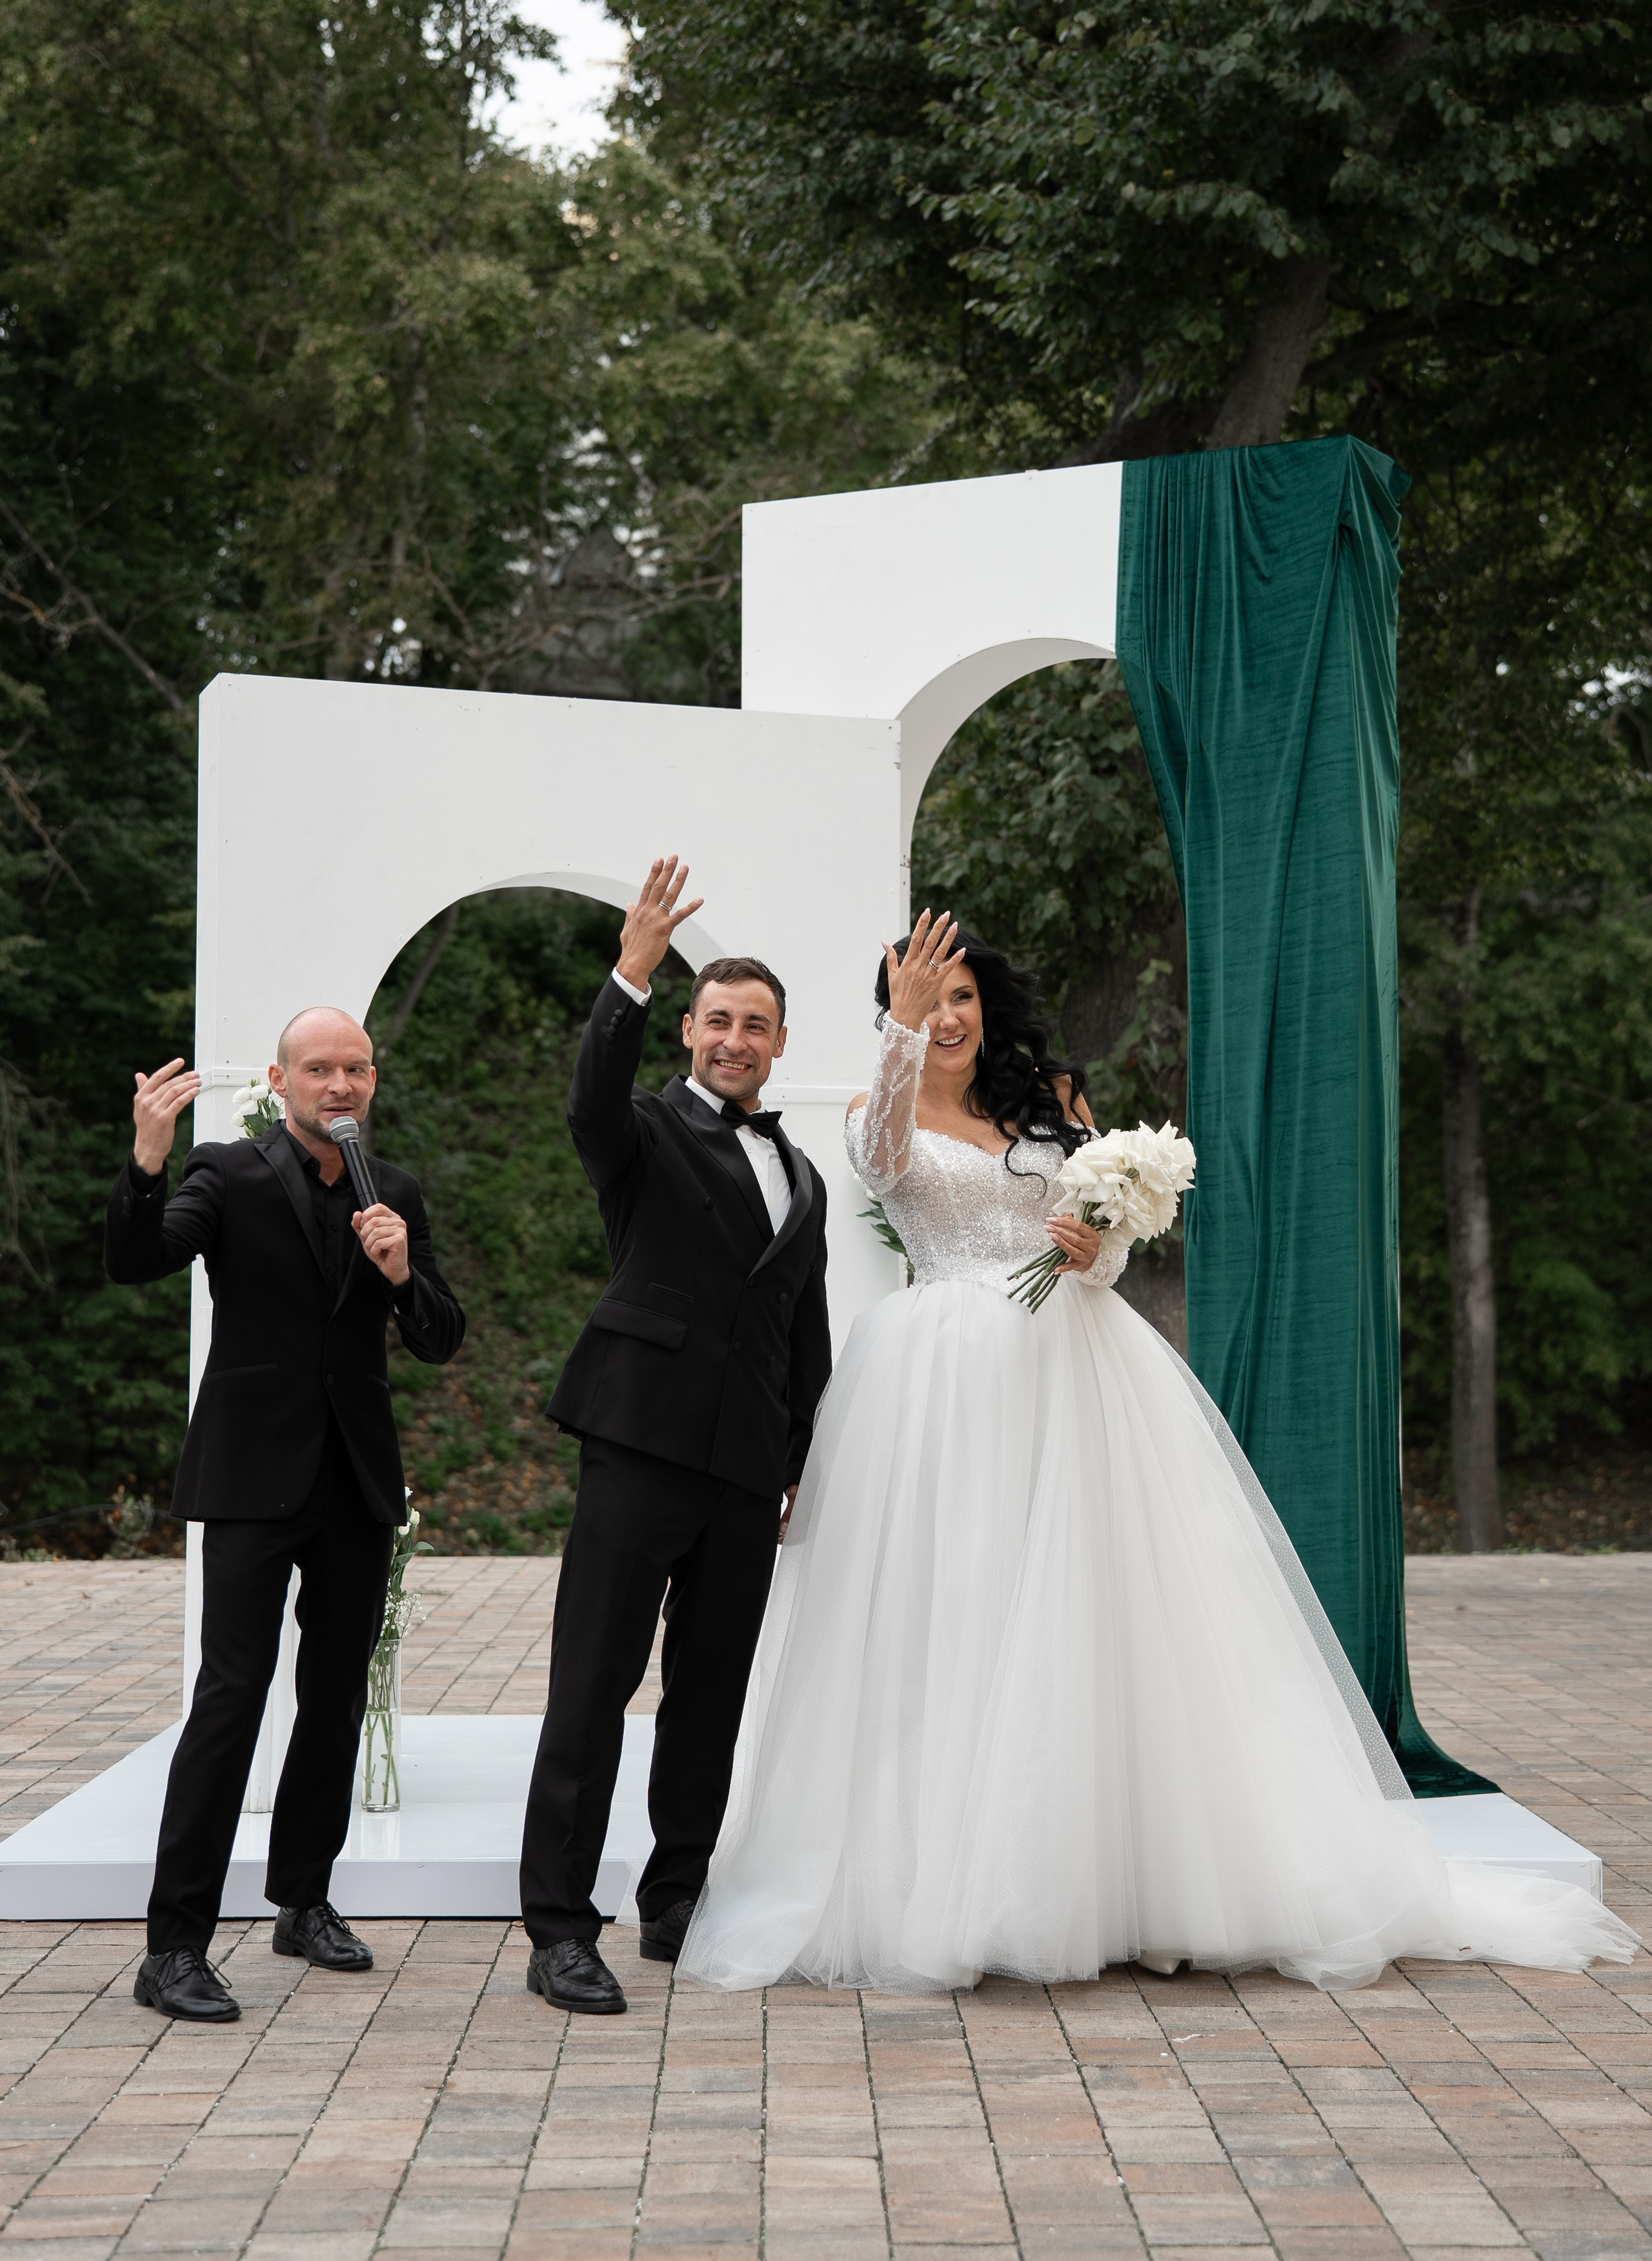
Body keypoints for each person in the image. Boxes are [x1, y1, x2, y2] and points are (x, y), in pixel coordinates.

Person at [679, 912, 1637, 1993]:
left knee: (1098, 1619)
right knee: (953, 1617)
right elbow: (887, 1161)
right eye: (922, 996)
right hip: (940, 1384)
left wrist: (1094, 1248)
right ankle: (957, 1881)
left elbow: (1105, 1257)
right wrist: (898, 1035)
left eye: (960, 995)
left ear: (987, 1004)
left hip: (1076, 1373)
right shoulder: (877, 1104)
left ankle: (1141, 1883)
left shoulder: (1057, 1099)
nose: (945, 1016)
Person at [104, 1008, 465, 2022]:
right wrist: (146, 1158)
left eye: (355, 1067)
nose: (339, 1083)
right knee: (231, 1697)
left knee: (336, 1694)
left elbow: (441, 1335)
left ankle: (303, 1898)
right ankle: (172, 1945)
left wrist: (401, 1275)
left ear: (373, 1080)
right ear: (281, 1078)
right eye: (319, 1068)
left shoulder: (393, 1189)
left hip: (353, 1477)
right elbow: (137, 1260)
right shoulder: (226, 1173)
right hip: (252, 1476)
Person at [519, 857, 831, 2016]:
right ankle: (559, 1925)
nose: (735, 1038)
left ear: (780, 1041)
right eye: (718, 1019)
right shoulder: (642, 1131)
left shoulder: (800, 1172)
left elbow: (807, 1325)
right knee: (591, 1684)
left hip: (747, 1472)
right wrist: (632, 974)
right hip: (639, 1442)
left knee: (709, 1696)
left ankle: (679, 1900)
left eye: (756, 1024)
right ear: (689, 1029)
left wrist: (800, 1457)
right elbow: (588, 1103)